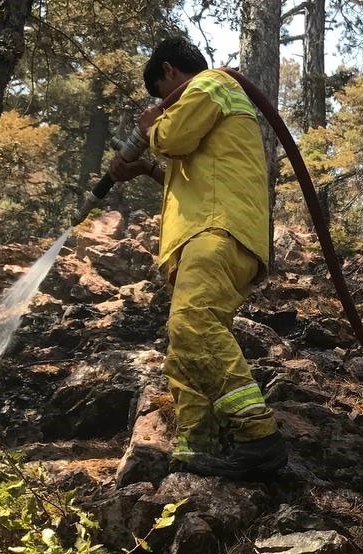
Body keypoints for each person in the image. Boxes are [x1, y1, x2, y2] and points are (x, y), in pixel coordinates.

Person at [106, 37, 287, 480]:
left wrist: (151, 126)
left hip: (217, 229)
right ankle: (196, 445)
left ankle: (258, 438)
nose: (162, 105)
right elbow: (191, 171)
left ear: (168, 72)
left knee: (192, 324)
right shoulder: (213, 102)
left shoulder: (209, 84)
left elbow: (176, 137)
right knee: (185, 347)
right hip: (205, 234)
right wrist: (145, 168)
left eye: (160, 94)